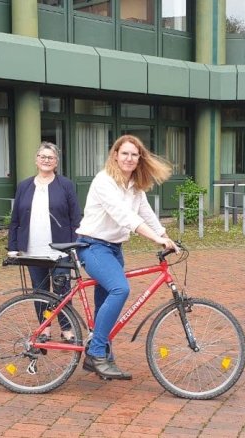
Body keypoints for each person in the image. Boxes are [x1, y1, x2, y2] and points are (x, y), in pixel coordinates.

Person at [76, 134, 178, 380]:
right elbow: (125, 217)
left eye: (134, 154)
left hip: (113, 249)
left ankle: (100, 354)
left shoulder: (134, 185)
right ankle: (97, 353)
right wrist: (155, 239)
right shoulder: (104, 181)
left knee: (105, 306)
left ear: (139, 157)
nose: (130, 158)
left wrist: (166, 235)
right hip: (92, 246)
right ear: (115, 155)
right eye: (125, 154)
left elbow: (146, 214)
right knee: (120, 289)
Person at [7, 142, 82, 341]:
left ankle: (67, 329)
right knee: (39, 290)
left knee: (62, 290)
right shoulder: (24, 186)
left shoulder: (65, 185)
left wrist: (76, 245)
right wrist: (13, 246)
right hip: (32, 248)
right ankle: (45, 327)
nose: (46, 160)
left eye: (50, 157)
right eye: (42, 156)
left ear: (56, 162)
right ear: (36, 159)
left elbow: (75, 218)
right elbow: (15, 219)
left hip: (60, 248)